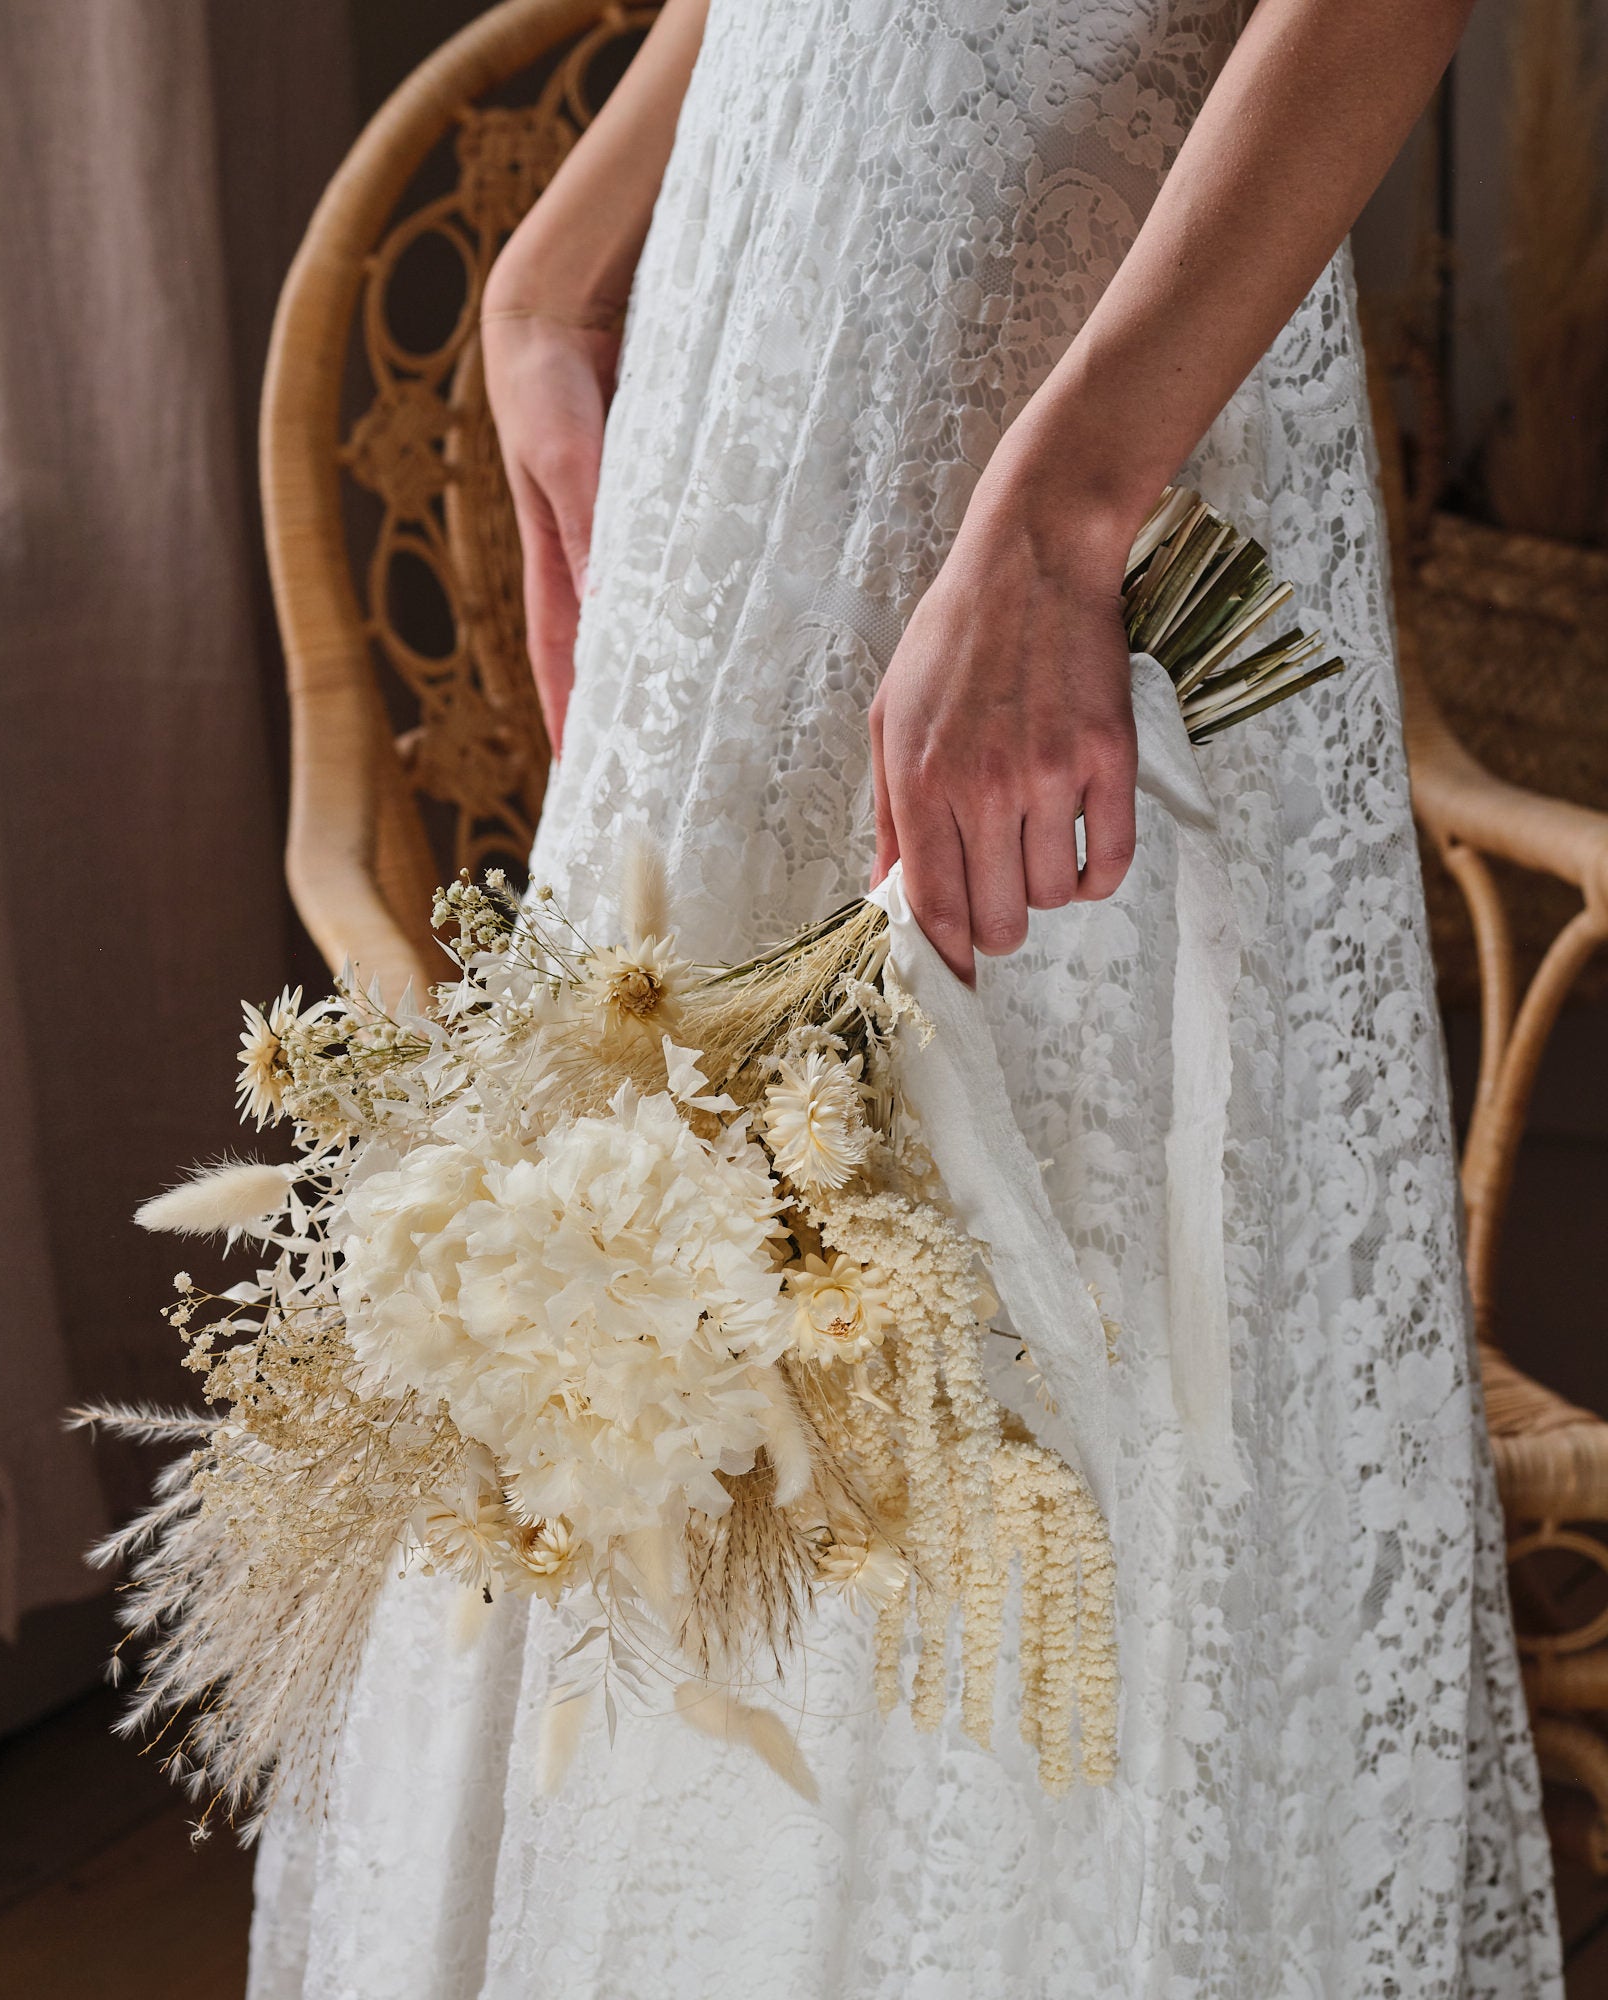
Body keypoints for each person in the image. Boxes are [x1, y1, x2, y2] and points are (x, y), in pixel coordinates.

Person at [248, 1, 1562, 1993]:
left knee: (1045, 1409)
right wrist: (549, 269)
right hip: (760, 323)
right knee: (676, 1389)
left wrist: (1064, 506)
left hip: (1075, 410)